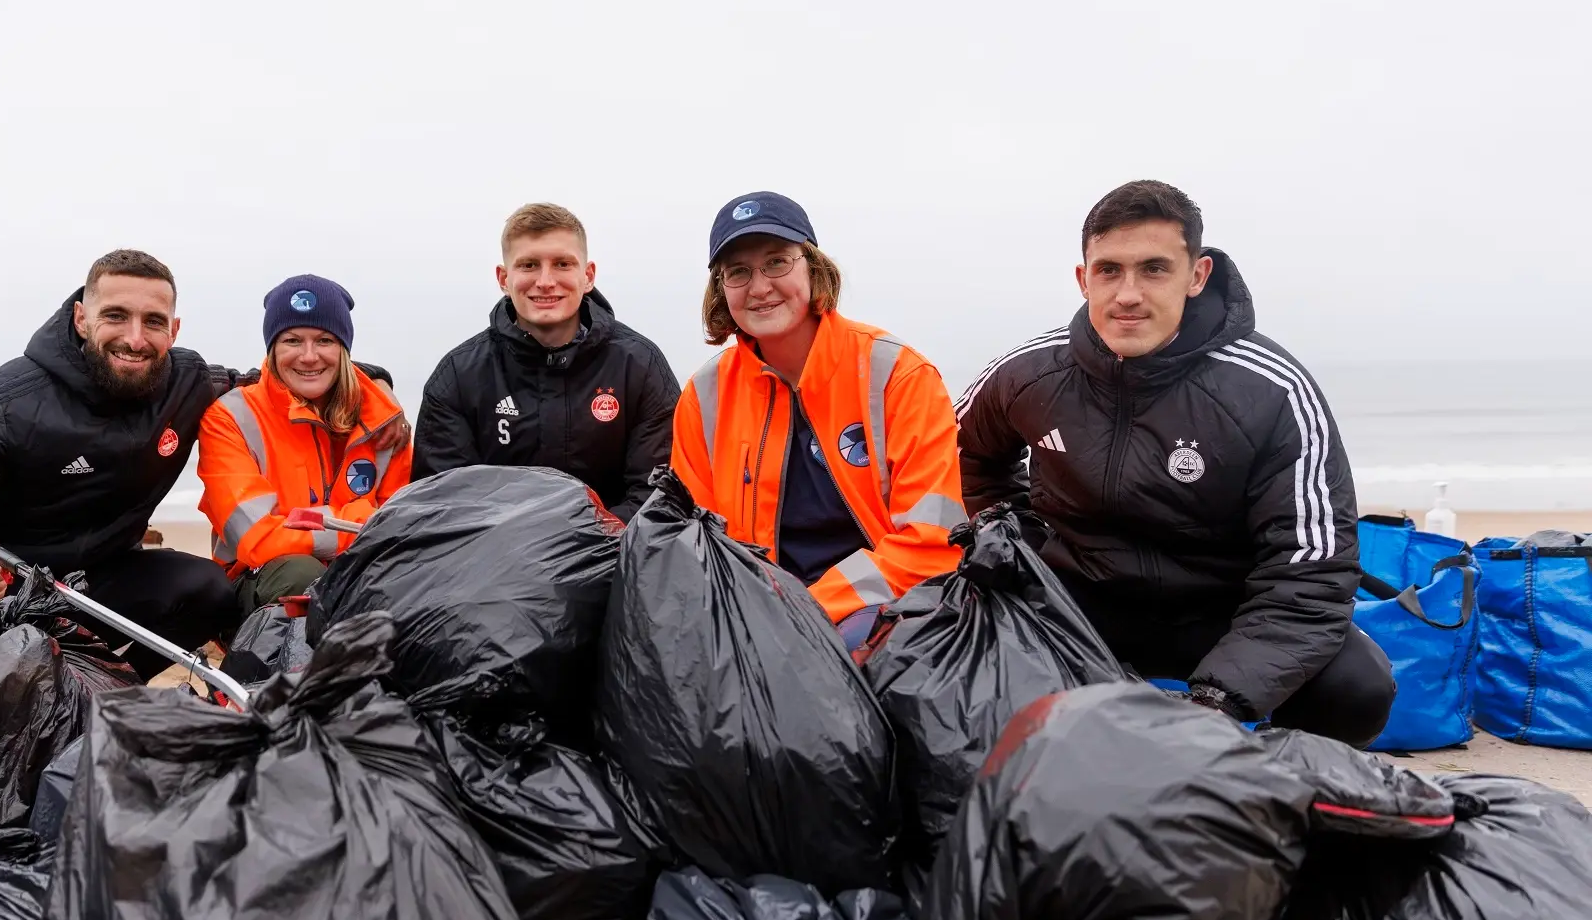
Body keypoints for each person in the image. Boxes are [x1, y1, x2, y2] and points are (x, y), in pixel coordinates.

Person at [955, 179, 1396, 746]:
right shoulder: (1029, 372)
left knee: (1357, 688)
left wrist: (1218, 701)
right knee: (944, 648)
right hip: (1077, 600)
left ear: (1197, 276)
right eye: (1109, 270)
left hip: (1222, 612)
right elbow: (959, 456)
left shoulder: (1272, 389)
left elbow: (1311, 569)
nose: (1128, 294)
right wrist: (1014, 533)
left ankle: (1267, 778)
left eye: (1154, 269)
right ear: (1083, 278)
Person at [0, 250, 406, 679]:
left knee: (207, 590)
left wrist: (368, 382)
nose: (135, 338)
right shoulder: (9, 401)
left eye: (152, 322)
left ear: (173, 330)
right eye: (116, 316)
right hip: (7, 582)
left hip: (103, 578)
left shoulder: (186, 381)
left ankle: (109, 685)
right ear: (81, 318)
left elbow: (274, 378)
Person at [670, 192, 965, 649]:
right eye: (738, 272)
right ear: (721, 289)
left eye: (776, 262)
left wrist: (807, 610)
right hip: (756, 621)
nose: (759, 287)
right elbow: (694, 548)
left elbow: (933, 542)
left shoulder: (897, 374)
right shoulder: (703, 395)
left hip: (886, 615)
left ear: (813, 267)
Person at [413, 202, 680, 521]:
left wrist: (581, 542)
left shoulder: (640, 366)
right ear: (503, 278)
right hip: (495, 552)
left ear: (588, 276)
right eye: (528, 265)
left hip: (614, 551)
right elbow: (442, 506)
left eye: (562, 264)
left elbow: (656, 499)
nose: (545, 281)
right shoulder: (457, 377)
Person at [197, 274, 412, 612]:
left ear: (343, 349)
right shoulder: (230, 416)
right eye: (292, 341)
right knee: (303, 574)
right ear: (272, 348)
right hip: (259, 577)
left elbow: (402, 528)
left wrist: (310, 527)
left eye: (325, 340)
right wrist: (360, 519)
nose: (309, 356)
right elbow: (256, 538)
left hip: (361, 572)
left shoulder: (384, 421)